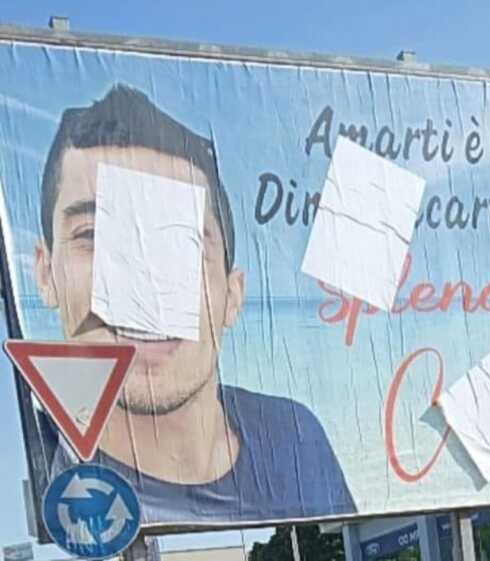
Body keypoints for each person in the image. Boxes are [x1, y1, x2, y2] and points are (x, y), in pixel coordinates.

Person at [34, 84, 356, 523]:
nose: (143, 285)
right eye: (93, 235)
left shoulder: (296, 438)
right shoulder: (46, 472)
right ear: (44, 274)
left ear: (233, 295)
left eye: (181, 240)